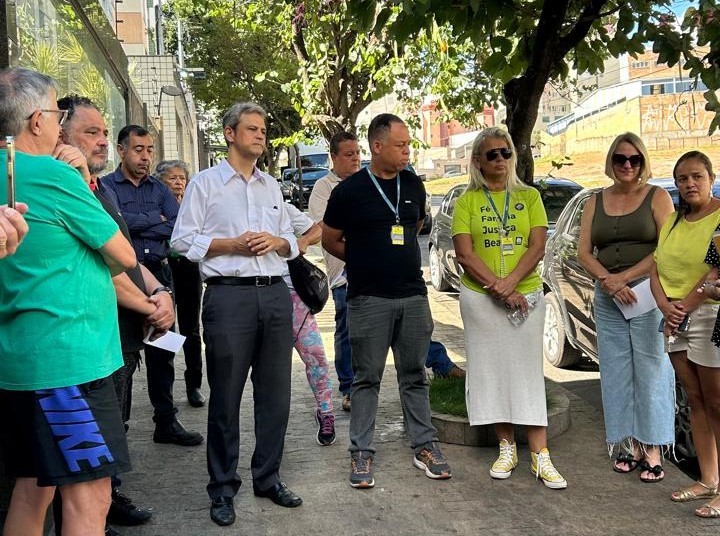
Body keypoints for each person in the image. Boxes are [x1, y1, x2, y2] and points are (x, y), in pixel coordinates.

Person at [0, 67, 136, 536]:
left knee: (31, 488)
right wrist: (77, 177)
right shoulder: (54, 176)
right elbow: (123, 254)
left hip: (19, 360)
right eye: (59, 115)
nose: (62, 126)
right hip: (67, 365)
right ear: (37, 121)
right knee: (90, 497)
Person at [171, 102, 302, 527]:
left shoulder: (270, 186)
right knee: (225, 397)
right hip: (229, 298)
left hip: (276, 296)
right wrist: (232, 245)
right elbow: (181, 240)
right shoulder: (206, 184)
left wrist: (279, 244)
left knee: (276, 395)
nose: (261, 136)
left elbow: (290, 238)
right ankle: (222, 487)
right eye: (252, 129)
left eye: (263, 130)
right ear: (230, 133)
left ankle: (268, 476)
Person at [57, 94, 177, 530]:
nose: (103, 141)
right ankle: (93, 516)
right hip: (83, 345)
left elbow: (129, 258)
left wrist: (160, 290)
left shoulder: (98, 187)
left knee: (116, 426)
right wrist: (150, 303)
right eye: (92, 133)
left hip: (120, 339)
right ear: (58, 134)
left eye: (104, 132)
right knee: (81, 452)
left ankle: (108, 500)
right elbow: (106, 268)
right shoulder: (65, 192)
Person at [322, 113, 451, 489]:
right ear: (377, 147)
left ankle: (424, 444)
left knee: (414, 375)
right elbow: (330, 240)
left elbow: (411, 230)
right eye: (401, 145)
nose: (407, 151)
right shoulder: (348, 192)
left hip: (412, 295)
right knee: (367, 379)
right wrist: (367, 259)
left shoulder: (413, 184)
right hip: (367, 299)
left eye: (408, 144)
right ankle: (361, 451)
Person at [451, 127, 566, 489]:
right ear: (477, 162)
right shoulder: (466, 201)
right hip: (481, 299)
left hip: (525, 297)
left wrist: (512, 283)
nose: (500, 159)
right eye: (492, 155)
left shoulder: (529, 196)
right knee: (492, 372)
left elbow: (537, 246)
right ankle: (506, 447)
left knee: (527, 373)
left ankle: (540, 455)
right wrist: (499, 289)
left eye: (505, 153)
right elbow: (465, 254)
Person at [578, 132, 675, 482]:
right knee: (617, 372)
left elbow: (667, 248)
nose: (628, 165)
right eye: (621, 159)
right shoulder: (595, 200)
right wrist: (608, 281)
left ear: (643, 162)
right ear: (611, 162)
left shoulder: (657, 196)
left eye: (634, 159)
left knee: (650, 371)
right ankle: (629, 444)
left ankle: (653, 447)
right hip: (609, 298)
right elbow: (584, 252)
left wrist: (627, 277)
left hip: (648, 295)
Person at [101, 126, 204, 447]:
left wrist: (138, 221)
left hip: (161, 278)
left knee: (165, 349)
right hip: (122, 279)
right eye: (138, 150)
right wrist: (154, 221)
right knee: (124, 357)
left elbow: (178, 225)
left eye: (149, 150)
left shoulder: (159, 189)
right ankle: (120, 427)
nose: (145, 157)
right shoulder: (106, 187)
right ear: (121, 151)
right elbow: (116, 226)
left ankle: (166, 421)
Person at [651, 151, 720, 516]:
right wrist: (665, 307)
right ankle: (708, 479)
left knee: (716, 402)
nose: (690, 184)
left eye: (697, 176)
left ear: (710, 177)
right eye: (682, 178)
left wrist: (683, 308)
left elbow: (714, 273)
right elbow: (656, 267)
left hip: (707, 316)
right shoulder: (673, 222)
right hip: (674, 318)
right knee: (693, 399)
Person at [309, 131, 361, 411]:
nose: (355, 159)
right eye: (349, 154)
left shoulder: (368, 182)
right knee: (345, 330)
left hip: (374, 270)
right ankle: (348, 387)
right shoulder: (323, 188)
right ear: (334, 157)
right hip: (342, 272)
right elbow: (322, 229)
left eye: (357, 153)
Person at [284, 201, 337, 445]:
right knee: (271, 368)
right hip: (256, 299)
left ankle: (326, 411)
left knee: (315, 355)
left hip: (296, 298)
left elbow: (317, 229)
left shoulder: (281, 208)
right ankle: (273, 424)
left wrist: (303, 241)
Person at [156, 159, 206, 408]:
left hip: (188, 266)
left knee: (191, 328)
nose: (177, 182)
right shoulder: (156, 203)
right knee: (166, 326)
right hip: (163, 267)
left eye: (181, 178)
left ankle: (193, 384)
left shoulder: (193, 205)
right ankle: (167, 388)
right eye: (172, 178)